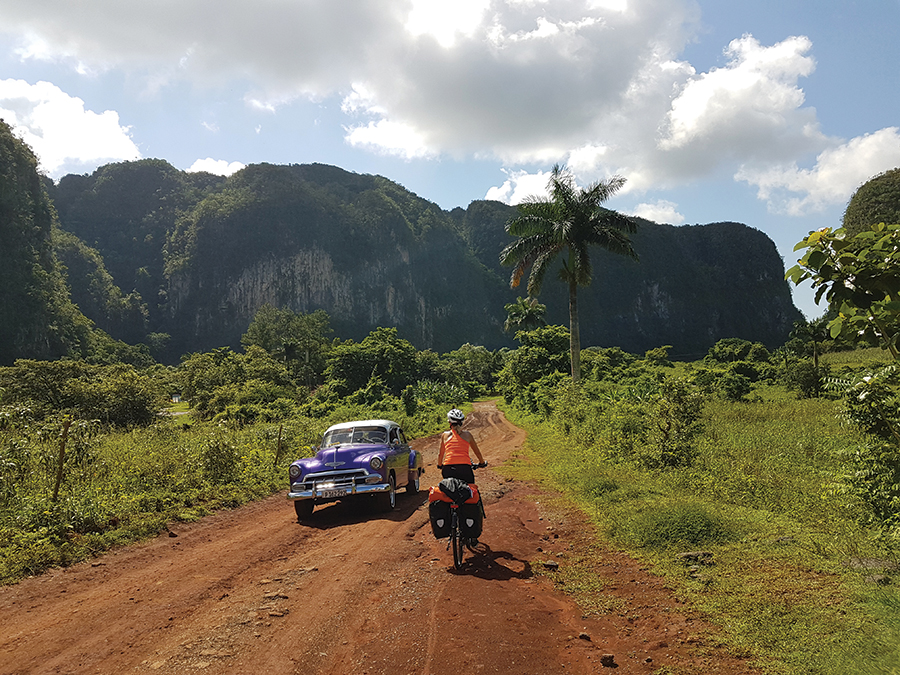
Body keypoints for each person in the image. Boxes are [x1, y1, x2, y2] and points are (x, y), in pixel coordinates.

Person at [437, 408, 486, 484]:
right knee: (470, 490)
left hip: (448, 469)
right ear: (462, 423)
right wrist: (482, 463)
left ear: (449, 423)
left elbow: (441, 454)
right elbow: (477, 452)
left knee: (449, 491)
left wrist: (440, 465)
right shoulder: (467, 435)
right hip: (465, 468)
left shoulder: (445, 435)